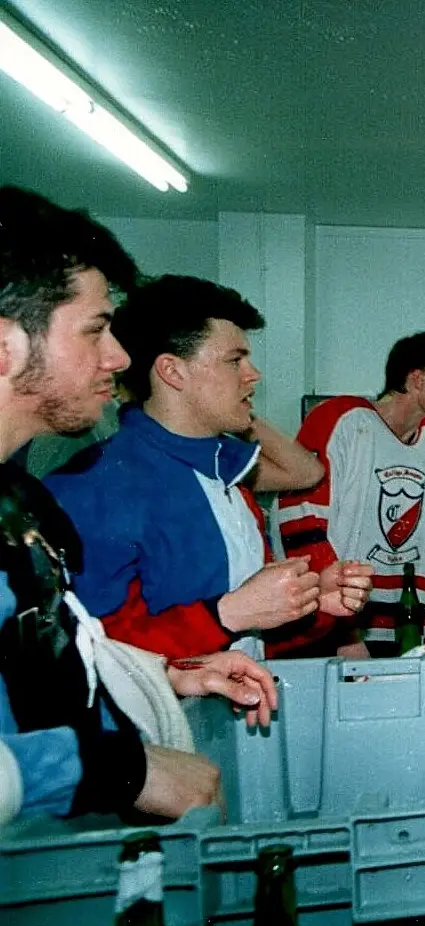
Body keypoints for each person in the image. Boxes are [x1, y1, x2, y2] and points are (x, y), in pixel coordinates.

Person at [0, 186, 276, 825]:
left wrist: (166, 676)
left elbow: (58, 665)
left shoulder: (22, 505)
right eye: (95, 330)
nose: (120, 357)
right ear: (7, 344)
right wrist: (124, 768)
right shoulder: (90, 487)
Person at [45, 276, 373, 660]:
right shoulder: (93, 487)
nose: (253, 374)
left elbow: (247, 637)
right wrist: (229, 613)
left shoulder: (228, 478)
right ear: (173, 372)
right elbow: (92, 655)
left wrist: (312, 605)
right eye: (235, 360)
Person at [277, 333, 425, 657]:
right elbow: (301, 517)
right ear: (417, 380)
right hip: (334, 628)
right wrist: (344, 631)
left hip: (412, 627)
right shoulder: (340, 420)